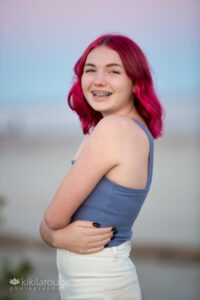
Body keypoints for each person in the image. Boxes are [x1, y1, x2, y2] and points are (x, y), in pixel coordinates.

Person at [40, 33, 163, 299]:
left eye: (114, 71)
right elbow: (51, 224)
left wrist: (55, 237)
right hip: (105, 277)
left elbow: (52, 219)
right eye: (90, 70)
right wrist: (54, 234)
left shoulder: (114, 129)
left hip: (96, 282)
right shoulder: (127, 128)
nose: (98, 80)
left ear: (135, 81)